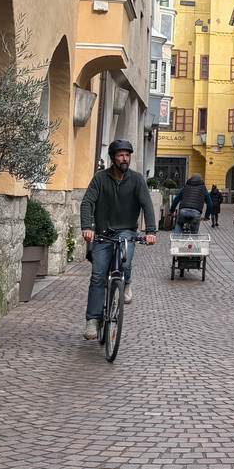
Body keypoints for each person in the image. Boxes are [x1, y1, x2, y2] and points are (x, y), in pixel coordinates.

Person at [80, 139, 156, 340]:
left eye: (127, 155)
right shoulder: (100, 179)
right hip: (103, 233)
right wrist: (87, 227)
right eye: (121, 155)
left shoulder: (137, 179)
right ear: (113, 158)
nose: (125, 159)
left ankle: (126, 281)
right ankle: (93, 320)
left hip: (127, 231)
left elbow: (147, 205)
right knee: (97, 276)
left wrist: (151, 231)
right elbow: (87, 202)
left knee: (125, 258)